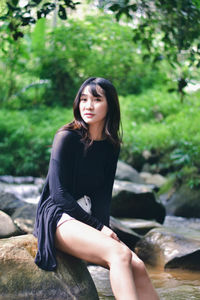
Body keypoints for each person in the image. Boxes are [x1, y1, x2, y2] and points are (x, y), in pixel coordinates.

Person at [34, 77, 159, 300]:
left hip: (85, 216)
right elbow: (58, 194)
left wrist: (105, 228)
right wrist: (99, 228)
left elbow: (102, 197)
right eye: (83, 99)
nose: (88, 106)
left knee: (137, 264)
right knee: (119, 254)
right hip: (58, 215)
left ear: (110, 104)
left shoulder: (111, 146)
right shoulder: (66, 137)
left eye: (96, 99)